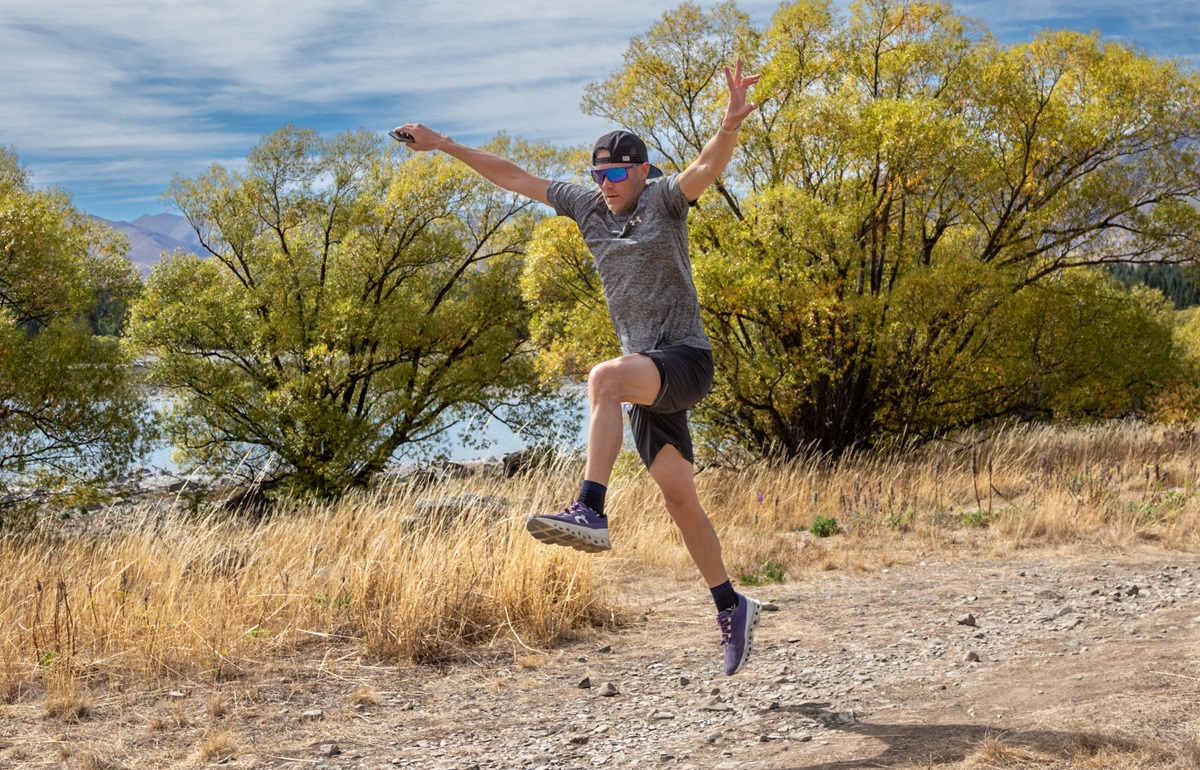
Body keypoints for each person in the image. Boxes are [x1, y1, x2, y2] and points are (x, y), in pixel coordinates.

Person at [393, 59, 763, 676]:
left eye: (617, 172)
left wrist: (728, 122)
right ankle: (731, 605)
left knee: (603, 378)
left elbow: (705, 168)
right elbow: (512, 176)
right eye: (599, 172)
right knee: (678, 500)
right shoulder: (588, 208)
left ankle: (590, 505)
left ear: (643, 171)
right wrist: (441, 145)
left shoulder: (666, 201)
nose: (607, 181)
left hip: (686, 360)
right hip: (650, 377)